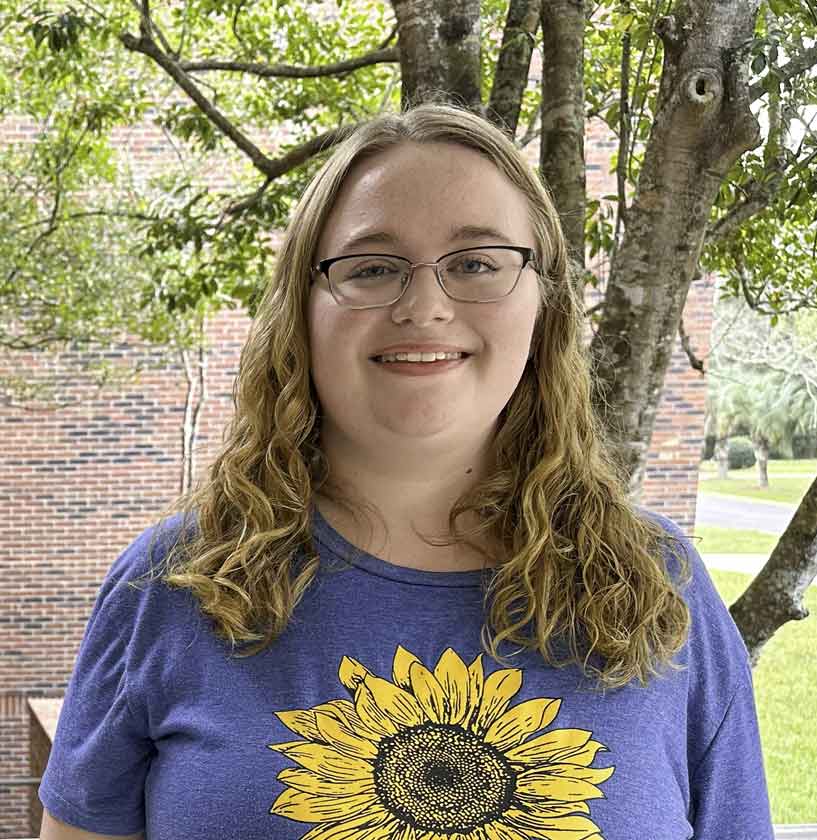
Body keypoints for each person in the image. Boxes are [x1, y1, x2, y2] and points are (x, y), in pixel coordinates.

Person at [39, 102, 774, 840]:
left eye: (477, 263)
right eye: (372, 268)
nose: (424, 306)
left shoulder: (659, 588)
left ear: (543, 304)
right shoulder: (169, 588)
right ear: (304, 308)